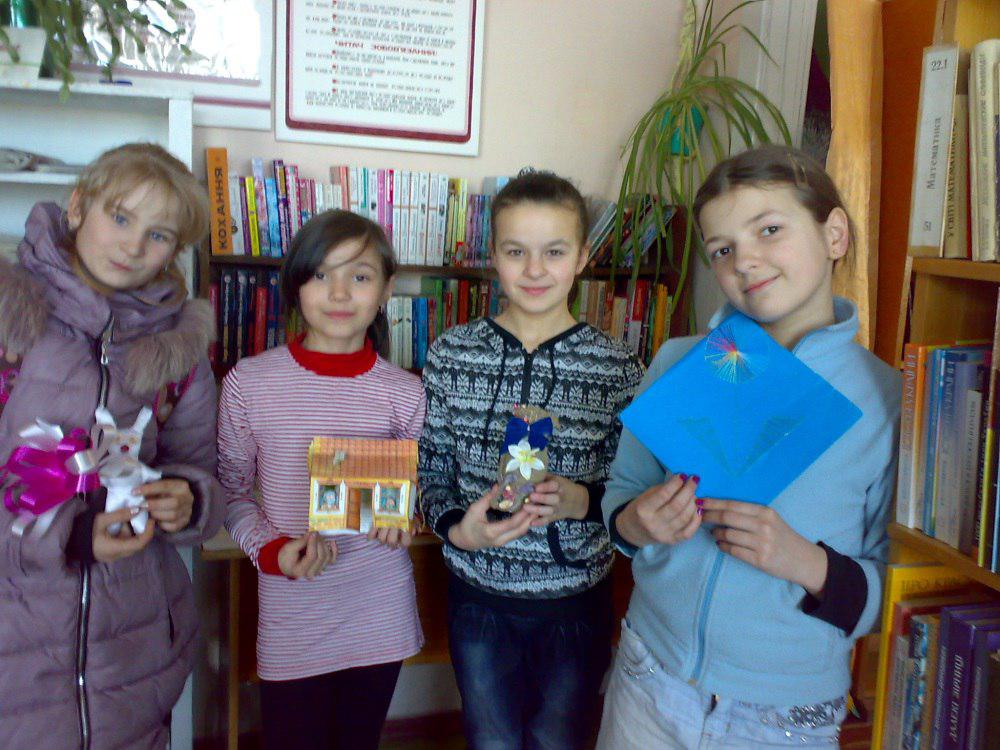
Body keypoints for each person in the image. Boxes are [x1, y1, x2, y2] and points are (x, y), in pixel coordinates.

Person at [598, 145, 901, 748]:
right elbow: (620, 500)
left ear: (834, 234)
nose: (745, 261)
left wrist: (805, 562)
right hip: (649, 675)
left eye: (769, 230)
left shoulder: (886, 400)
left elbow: (895, 595)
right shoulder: (679, 362)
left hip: (782, 715)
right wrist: (637, 522)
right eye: (722, 249)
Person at [0, 142, 224, 748]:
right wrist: (67, 535)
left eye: (158, 235)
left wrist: (188, 499)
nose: (132, 246)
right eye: (120, 218)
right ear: (78, 207)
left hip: (134, 650)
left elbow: (200, 471)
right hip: (19, 640)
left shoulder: (178, 351)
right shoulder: (10, 320)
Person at [419, 170, 644, 749]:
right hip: (478, 596)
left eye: (554, 252)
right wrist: (458, 530)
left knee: (560, 739)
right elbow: (431, 470)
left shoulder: (618, 367)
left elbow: (634, 490)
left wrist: (580, 499)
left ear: (583, 256)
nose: (535, 269)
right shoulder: (451, 353)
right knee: (490, 738)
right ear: (493, 256)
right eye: (516, 251)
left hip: (574, 601)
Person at [218, 209, 425, 750]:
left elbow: (418, 492)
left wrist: (406, 516)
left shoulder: (406, 393)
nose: (339, 293)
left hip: (378, 610)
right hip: (293, 610)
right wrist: (272, 552)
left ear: (386, 290)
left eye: (360, 275)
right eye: (320, 274)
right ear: (295, 285)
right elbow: (231, 492)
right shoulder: (250, 382)